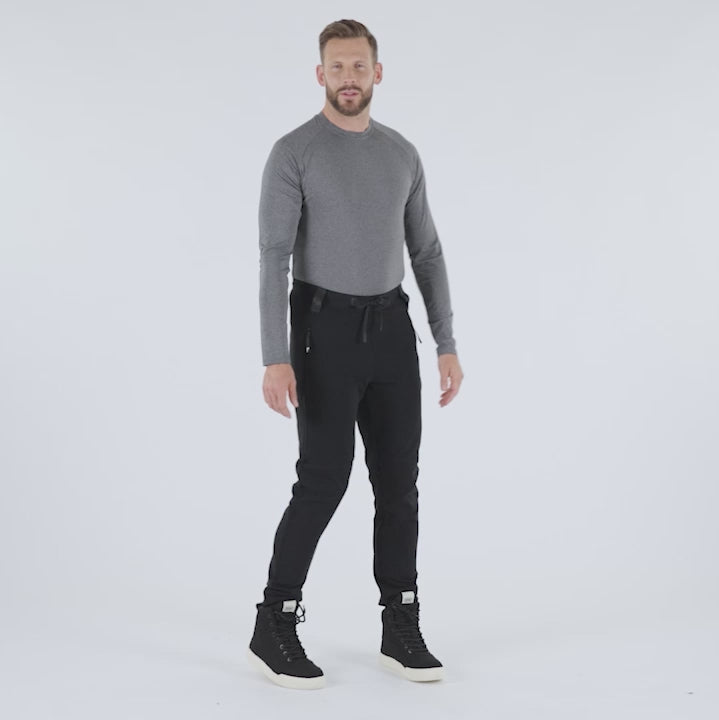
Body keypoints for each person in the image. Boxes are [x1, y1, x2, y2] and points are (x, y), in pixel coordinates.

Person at [247, 19, 464, 690]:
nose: (349, 78)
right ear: (320, 74)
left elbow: (426, 251)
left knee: (399, 482)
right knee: (324, 478)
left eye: (359, 66)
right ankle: (274, 621)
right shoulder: (295, 152)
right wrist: (275, 355)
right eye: (337, 67)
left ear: (378, 72)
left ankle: (400, 622)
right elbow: (274, 257)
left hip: (392, 328)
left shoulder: (401, 154)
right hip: (323, 331)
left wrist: (446, 342)